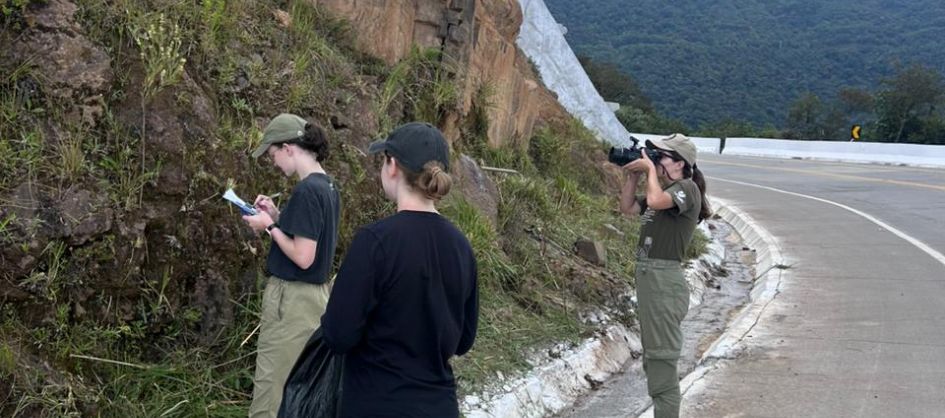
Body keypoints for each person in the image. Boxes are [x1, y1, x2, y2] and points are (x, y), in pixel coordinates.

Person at [321, 122, 479, 417]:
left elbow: (338, 336)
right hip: (439, 407)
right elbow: (464, 340)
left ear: (392, 165)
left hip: (377, 404)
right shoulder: (462, 247)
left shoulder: (375, 241)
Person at [243, 113, 341, 418]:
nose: (274, 162)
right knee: (297, 388)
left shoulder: (306, 190)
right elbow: (309, 237)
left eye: (273, 154)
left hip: (291, 301)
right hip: (315, 301)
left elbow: (303, 256)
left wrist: (268, 227)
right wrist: (277, 216)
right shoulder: (328, 187)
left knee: (271, 389)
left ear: (288, 147)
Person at [616, 133, 710, 418]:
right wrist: (634, 175)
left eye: (661, 156)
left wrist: (648, 172)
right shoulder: (666, 194)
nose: (655, 160)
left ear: (679, 163)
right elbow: (628, 208)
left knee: (662, 365)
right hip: (650, 280)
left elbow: (655, 200)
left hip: (663, 281)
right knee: (654, 361)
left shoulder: (687, 189)